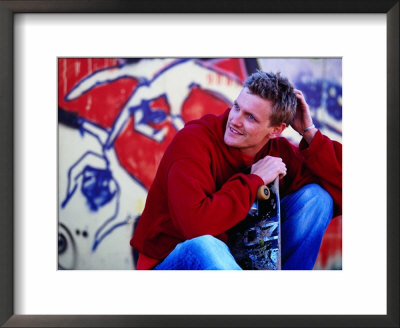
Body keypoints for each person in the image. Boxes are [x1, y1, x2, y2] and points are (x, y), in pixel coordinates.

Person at [130, 70, 342, 270]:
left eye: (251, 117)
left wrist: (310, 133)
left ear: (276, 130)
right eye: (237, 107)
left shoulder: (278, 153)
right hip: (172, 261)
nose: (235, 121)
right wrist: (254, 180)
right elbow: (194, 228)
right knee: (207, 245)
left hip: (237, 261)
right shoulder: (193, 142)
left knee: (318, 199)